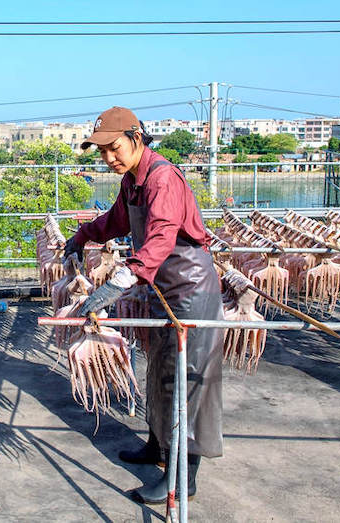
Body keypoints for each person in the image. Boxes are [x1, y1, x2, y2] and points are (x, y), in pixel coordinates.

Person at [64, 106, 224, 504]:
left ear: (136, 138)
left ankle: (181, 478)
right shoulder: (132, 182)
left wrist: (118, 282)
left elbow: (160, 239)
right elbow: (116, 221)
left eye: (114, 148)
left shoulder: (162, 178)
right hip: (161, 288)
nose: (108, 158)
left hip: (189, 289)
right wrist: (83, 235)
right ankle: (156, 446)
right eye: (102, 152)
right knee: (160, 372)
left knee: (185, 382)